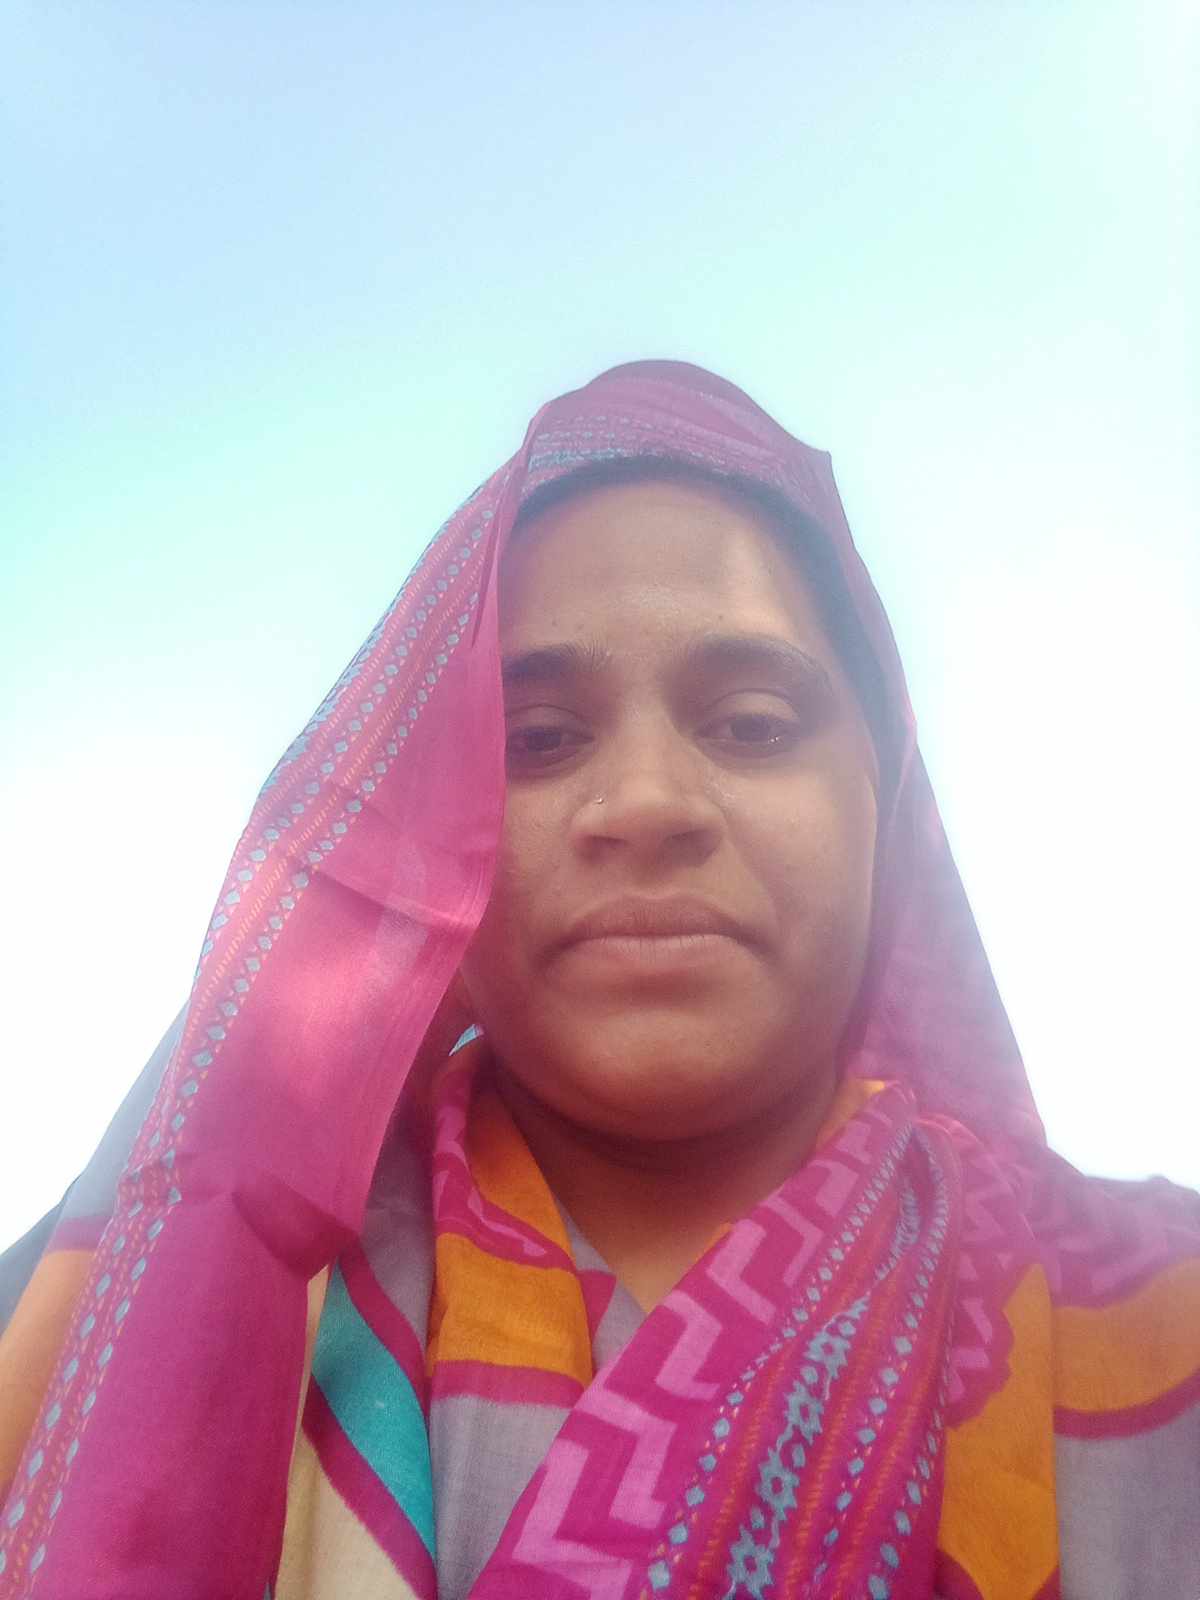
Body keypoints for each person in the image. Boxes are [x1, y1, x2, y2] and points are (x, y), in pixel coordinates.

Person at [0, 361, 1197, 1600]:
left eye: (751, 722)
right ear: (432, 816)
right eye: (536, 740)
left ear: (882, 803)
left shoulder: (1157, 1315)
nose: (646, 804)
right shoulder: (118, 1317)